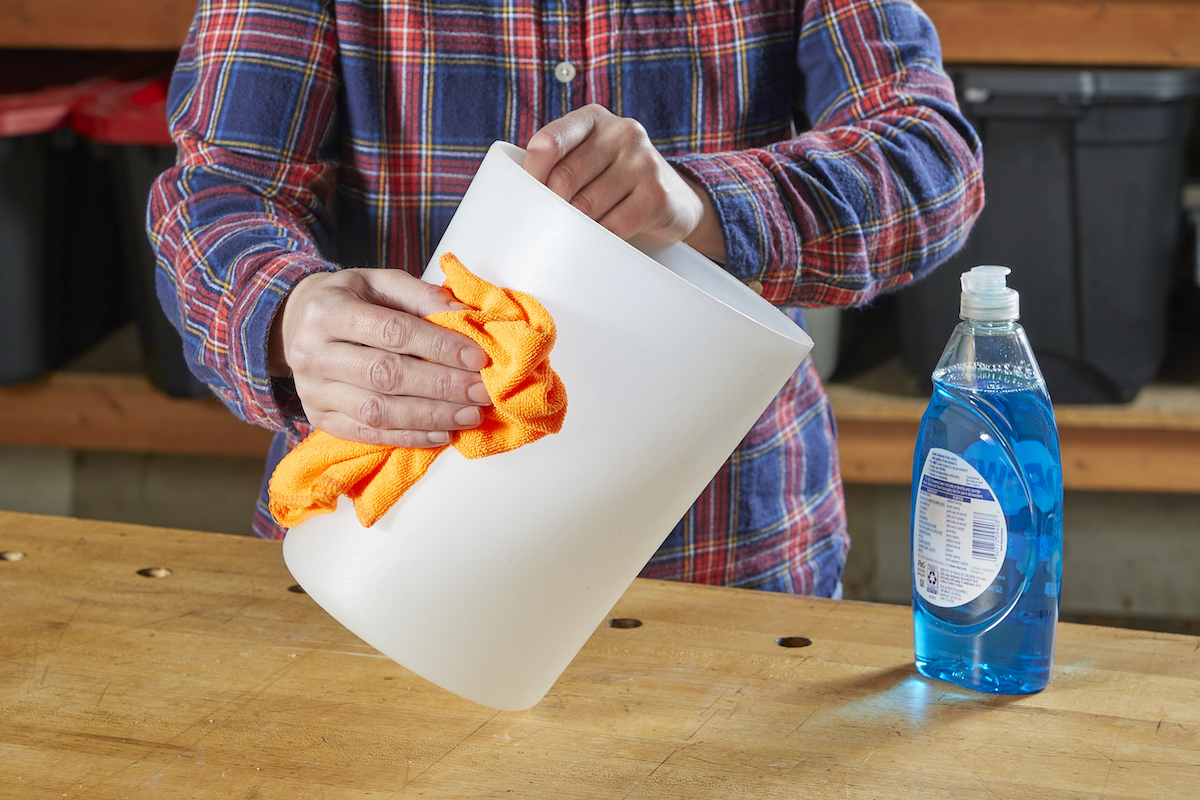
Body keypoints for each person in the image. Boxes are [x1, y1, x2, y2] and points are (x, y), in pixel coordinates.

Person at [148, 0, 984, 597]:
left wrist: (702, 207)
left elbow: (931, 159)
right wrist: (287, 314)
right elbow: (220, 189)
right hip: (386, 553)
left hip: (723, 551)